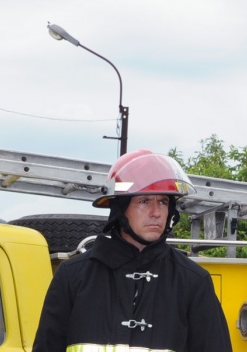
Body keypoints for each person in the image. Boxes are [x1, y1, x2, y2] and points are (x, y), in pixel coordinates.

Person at [33, 149, 232, 352]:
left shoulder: (193, 282)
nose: (156, 213)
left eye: (163, 202)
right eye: (144, 201)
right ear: (120, 208)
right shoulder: (73, 276)